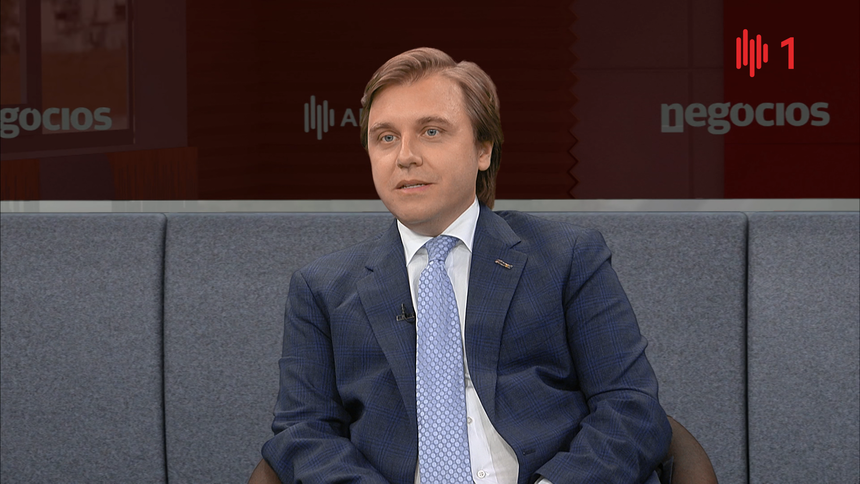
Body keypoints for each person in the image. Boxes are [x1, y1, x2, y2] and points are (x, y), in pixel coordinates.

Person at [253, 47, 671, 484]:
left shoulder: (567, 257)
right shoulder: (323, 288)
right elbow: (305, 432)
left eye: (431, 131)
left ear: (483, 149)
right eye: (386, 138)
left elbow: (631, 408)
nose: (405, 156)